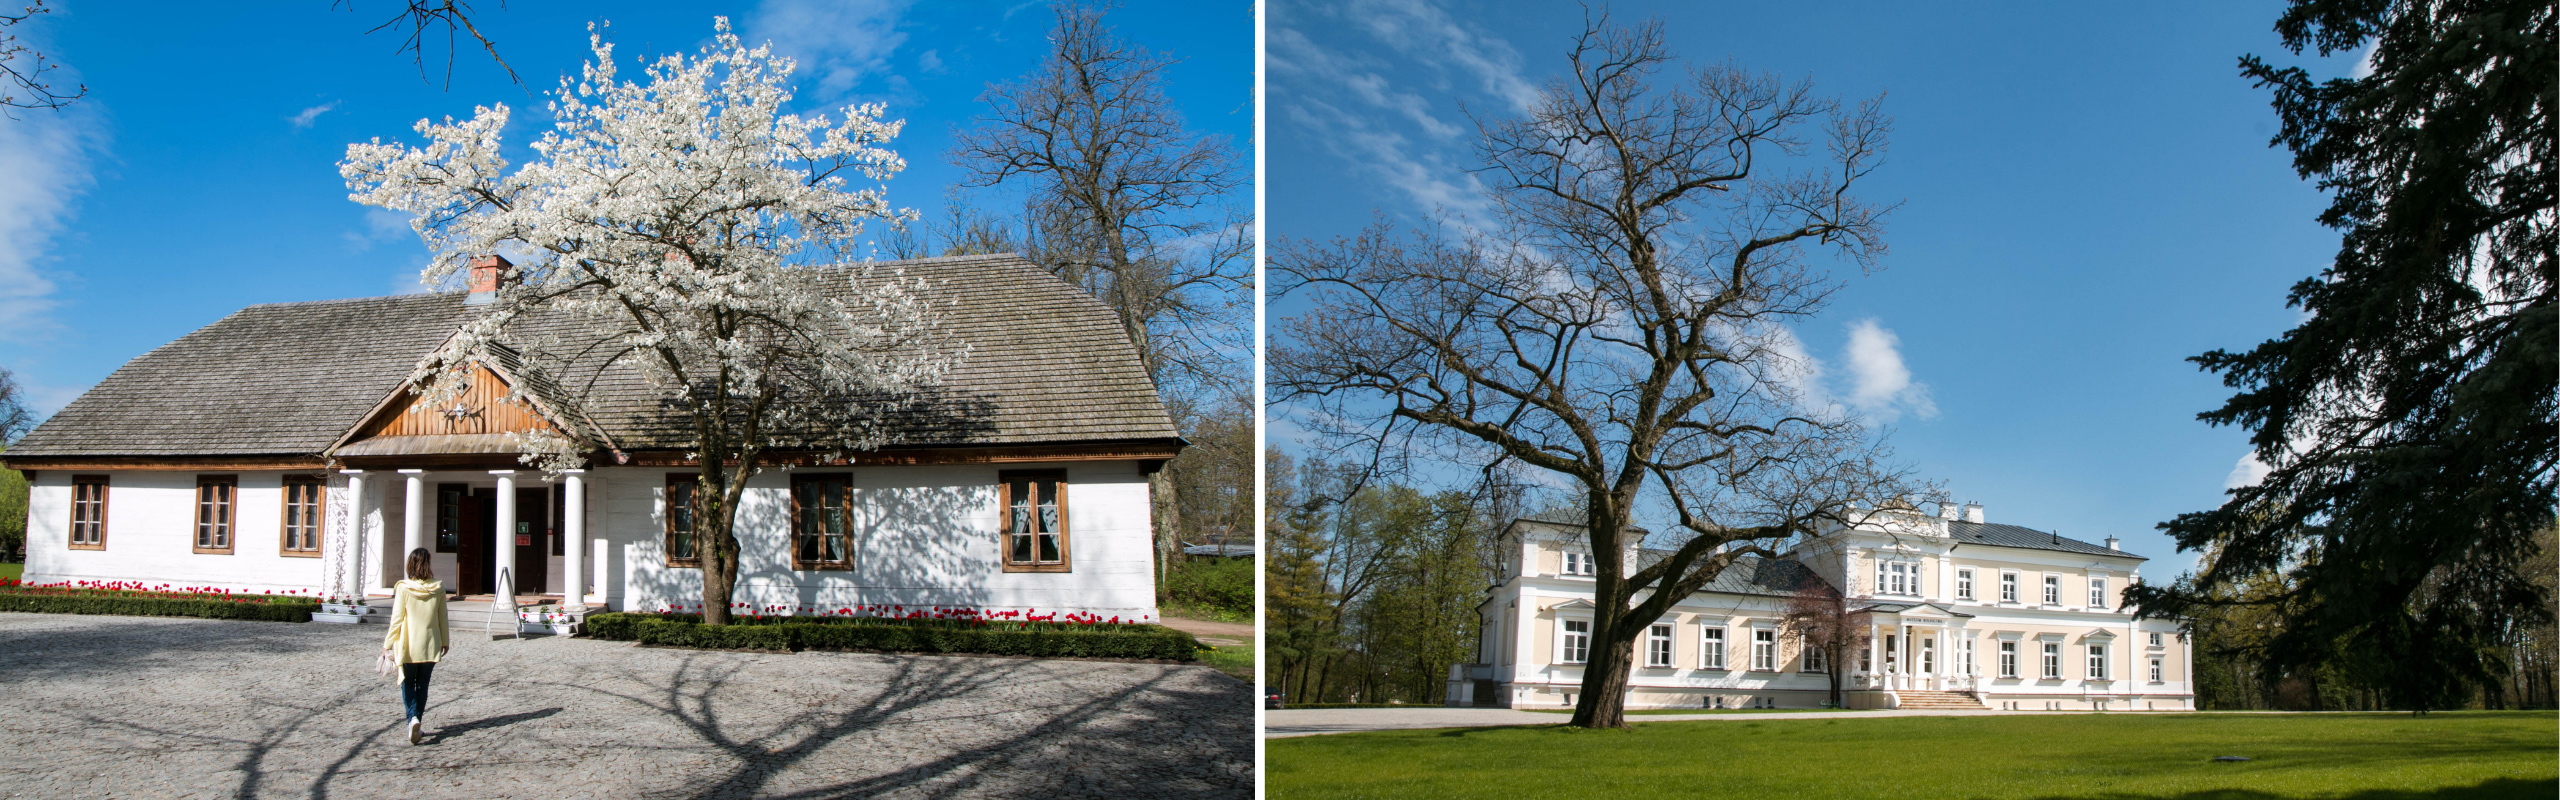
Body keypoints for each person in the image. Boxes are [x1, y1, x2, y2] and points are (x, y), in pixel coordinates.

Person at [383, 548, 450, 745]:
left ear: (410, 564)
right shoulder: (438, 587)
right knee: (422, 685)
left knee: (407, 683)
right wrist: (445, 641)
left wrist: (387, 644)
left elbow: (397, 619)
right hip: (430, 643)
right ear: (428, 564)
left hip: (408, 645)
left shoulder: (404, 588)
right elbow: (442, 617)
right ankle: (417, 722)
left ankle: (412, 718)